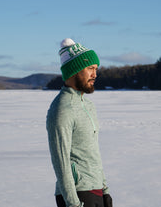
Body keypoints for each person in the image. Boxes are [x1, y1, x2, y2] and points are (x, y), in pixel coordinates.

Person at [46, 38, 113, 207]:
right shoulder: (62, 108)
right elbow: (60, 161)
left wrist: (105, 190)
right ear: (74, 71)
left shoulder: (88, 105)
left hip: (96, 190)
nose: (95, 74)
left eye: (96, 69)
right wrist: (73, 204)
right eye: (90, 68)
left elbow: (93, 153)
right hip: (77, 194)